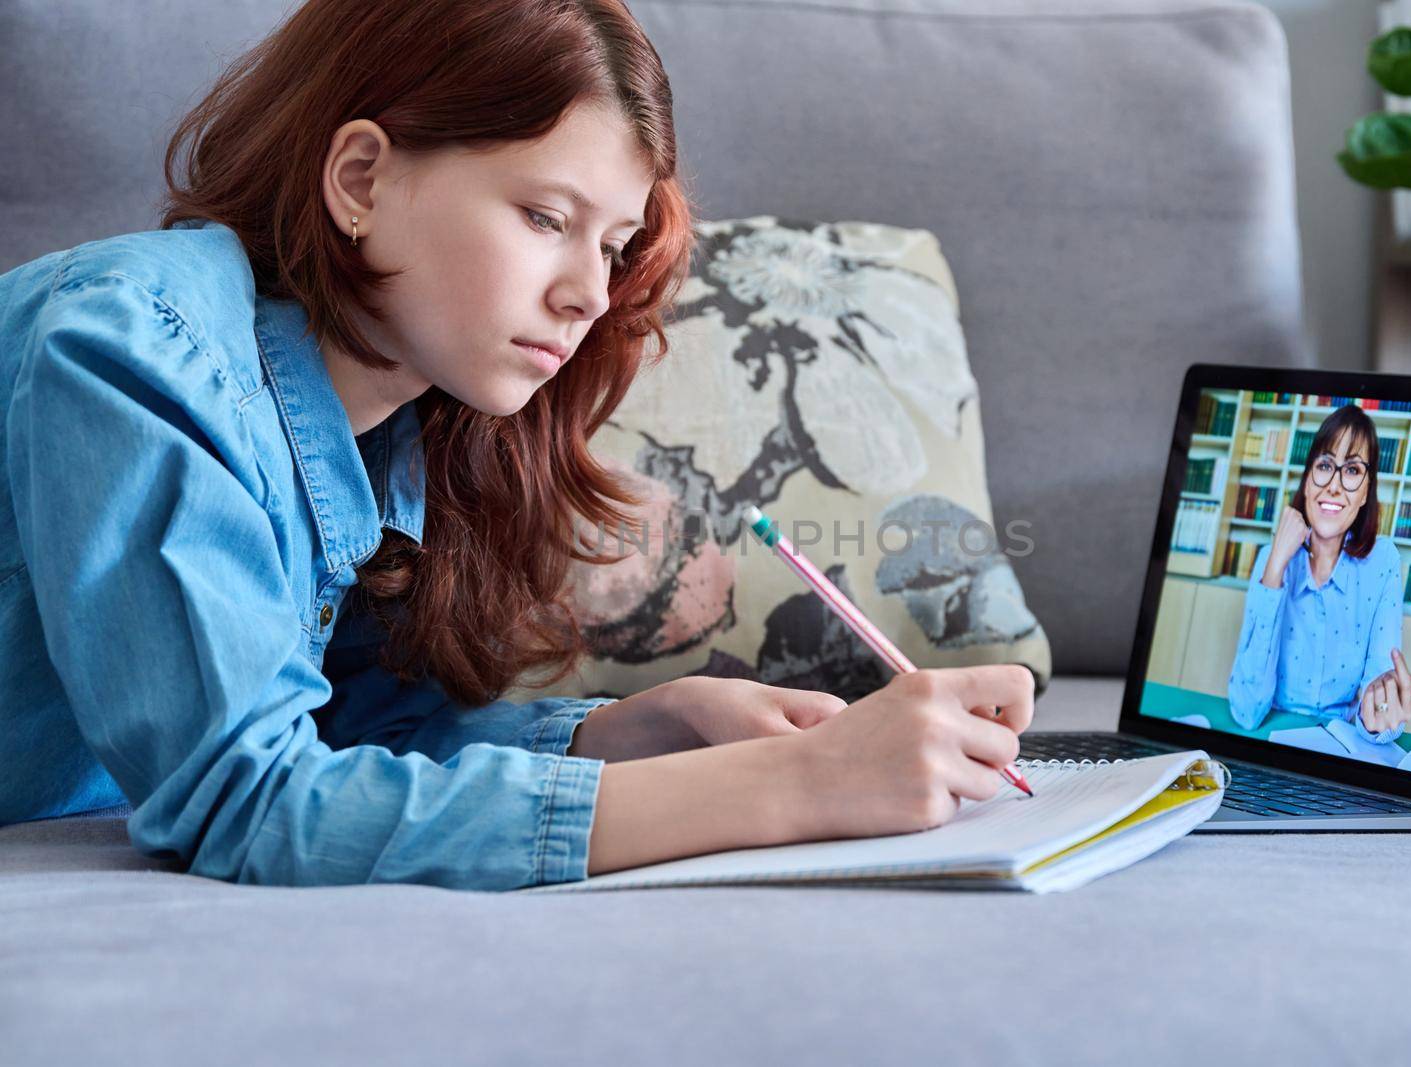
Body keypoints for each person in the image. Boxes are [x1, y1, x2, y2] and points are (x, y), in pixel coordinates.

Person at [0, 0, 1032, 888]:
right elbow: (250, 798)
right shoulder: (131, 347)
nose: (588, 291)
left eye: (614, 245)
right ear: (360, 178)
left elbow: (335, 730)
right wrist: (795, 784)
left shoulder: (405, 422)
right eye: (546, 214)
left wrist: (630, 732)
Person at [1227, 404, 1411, 743]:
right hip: (1271, 742)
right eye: (1325, 466)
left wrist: (1379, 717)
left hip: (1343, 745)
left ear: (1365, 492)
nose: (1334, 486)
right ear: (1307, 479)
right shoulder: (1270, 559)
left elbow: (1380, 688)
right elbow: (1246, 711)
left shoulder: (1383, 561)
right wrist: (1274, 568)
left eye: (1353, 471)